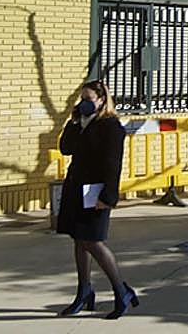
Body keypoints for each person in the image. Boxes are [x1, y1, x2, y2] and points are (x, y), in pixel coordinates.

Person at [55, 80, 139, 319]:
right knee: (78, 239)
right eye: (81, 99)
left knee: (93, 241)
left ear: (102, 100)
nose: (84, 103)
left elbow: (113, 165)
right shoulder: (81, 123)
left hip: (97, 192)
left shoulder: (111, 127)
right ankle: (84, 291)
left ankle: (121, 290)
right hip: (76, 188)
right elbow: (65, 148)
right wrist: (73, 123)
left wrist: (109, 196)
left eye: (89, 99)